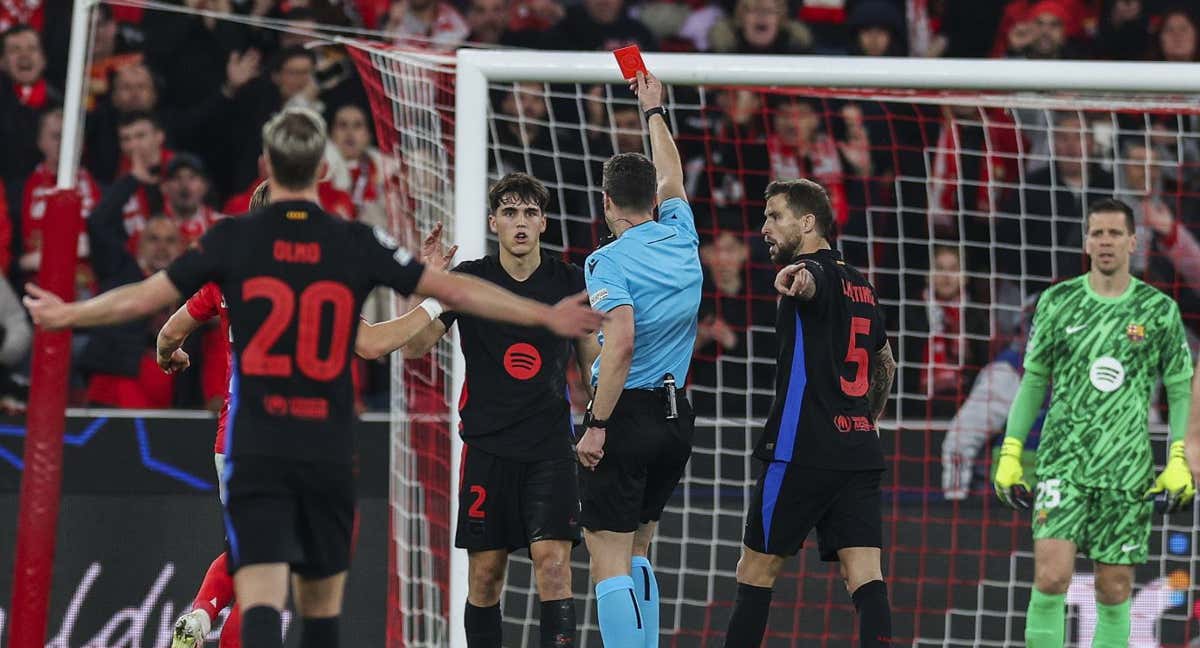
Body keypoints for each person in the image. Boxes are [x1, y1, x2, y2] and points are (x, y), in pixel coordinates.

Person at [23, 106, 604, 648]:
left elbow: (149, 300)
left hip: (251, 440)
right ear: (324, 169)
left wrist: (67, 315)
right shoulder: (349, 240)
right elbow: (454, 293)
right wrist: (544, 313)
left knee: (258, 581)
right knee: (319, 603)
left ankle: (204, 617)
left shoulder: (230, 242)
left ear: (267, 165)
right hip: (324, 444)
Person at [166, 180, 456, 648]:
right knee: (271, 577)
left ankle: (200, 616)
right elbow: (372, 344)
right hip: (297, 438)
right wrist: (439, 296)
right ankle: (208, 620)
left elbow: (170, 329)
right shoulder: (313, 276)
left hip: (235, 440)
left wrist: (170, 355)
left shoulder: (226, 272)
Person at [397, 172, 602, 648]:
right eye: (510, 213)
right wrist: (423, 285)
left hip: (550, 449)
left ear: (544, 222)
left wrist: (599, 422)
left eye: (530, 212)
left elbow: (593, 360)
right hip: (488, 449)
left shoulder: (570, 280)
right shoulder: (468, 280)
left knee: (554, 566)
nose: (521, 223)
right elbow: (414, 348)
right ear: (494, 223)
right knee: (486, 576)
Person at [993, 198, 1195, 648]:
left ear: (1132, 241)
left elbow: (1181, 388)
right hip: (1063, 460)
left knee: (1116, 588)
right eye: (1097, 233)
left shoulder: (1157, 309)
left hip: (1126, 469)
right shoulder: (1057, 302)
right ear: (1086, 240)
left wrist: (1178, 458)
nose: (1105, 241)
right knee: (1050, 576)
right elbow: (1032, 384)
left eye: (1114, 233)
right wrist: (1010, 451)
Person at [721, 178, 895, 648]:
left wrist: (795, 280)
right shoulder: (863, 285)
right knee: (865, 576)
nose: (764, 228)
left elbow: (810, 284)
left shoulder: (806, 272)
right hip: (858, 451)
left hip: (800, 451)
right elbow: (886, 363)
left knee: (755, 572)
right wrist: (867, 419)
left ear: (808, 221)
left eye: (774, 216)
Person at [573, 71, 701, 647]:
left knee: (607, 555)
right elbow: (672, 174)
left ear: (606, 204)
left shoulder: (607, 262)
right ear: (653, 200)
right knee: (642, 546)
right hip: (678, 418)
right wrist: (654, 110)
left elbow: (619, 342)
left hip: (625, 416)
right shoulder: (681, 233)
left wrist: (596, 424)